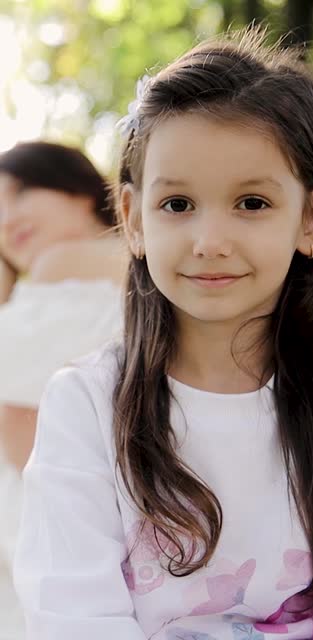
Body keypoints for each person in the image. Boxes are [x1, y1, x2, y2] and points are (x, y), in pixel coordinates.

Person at [13, 28, 313, 639]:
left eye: (252, 203)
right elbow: (71, 615)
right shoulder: (88, 407)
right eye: (177, 205)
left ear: (312, 218)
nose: (210, 242)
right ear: (132, 219)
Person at [0, 141, 125, 638]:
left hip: (61, 553)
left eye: (20, 193)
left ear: (77, 188)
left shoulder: (66, 265)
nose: (6, 220)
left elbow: (15, 425)